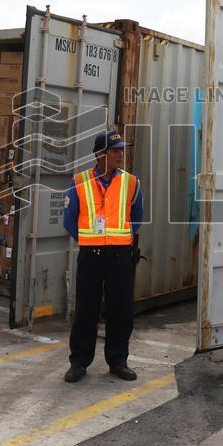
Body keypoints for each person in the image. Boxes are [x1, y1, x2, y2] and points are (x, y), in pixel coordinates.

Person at [62, 128, 144, 383]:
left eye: (122, 150)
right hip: (91, 256)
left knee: (120, 311)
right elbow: (69, 221)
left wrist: (117, 240)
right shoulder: (79, 182)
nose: (121, 154)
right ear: (100, 154)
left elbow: (136, 219)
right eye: (115, 150)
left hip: (120, 256)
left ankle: (118, 361)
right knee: (86, 309)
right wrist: (91, 240)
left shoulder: (131, 182)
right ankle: (79, 362)